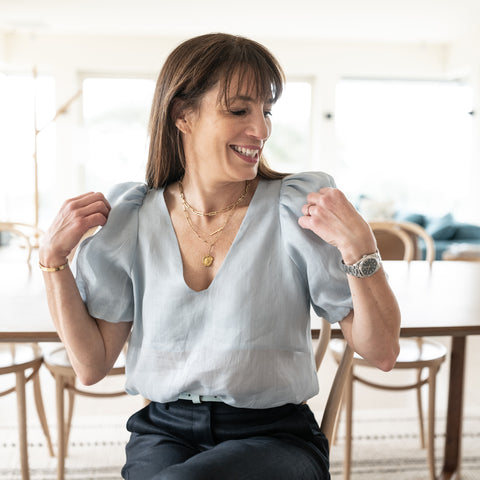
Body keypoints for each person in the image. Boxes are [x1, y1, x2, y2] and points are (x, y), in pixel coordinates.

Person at [39, 33, 401, 480]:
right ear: (182, 114)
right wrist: (53, 261)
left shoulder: (295, 209)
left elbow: (382, 351)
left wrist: (360, 248)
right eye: (239, 110)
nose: (262, 129)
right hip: (163, 433)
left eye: (266, 111)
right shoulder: (133, 218)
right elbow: (92, 365)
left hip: (275, 436)